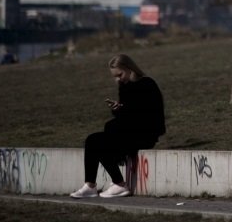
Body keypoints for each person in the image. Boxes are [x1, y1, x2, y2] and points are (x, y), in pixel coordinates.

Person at [69, 54, 166, 198]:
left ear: (129, 69)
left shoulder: (147, 84)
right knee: (92, 140)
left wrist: (124, 109)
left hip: (145, 133)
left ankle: (120, 184)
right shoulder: (124, 87)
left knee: (101, 141)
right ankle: (90, 185)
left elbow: (145, 115)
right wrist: (117, 109)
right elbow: (126, 115)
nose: (118, 79)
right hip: (129, 131)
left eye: (119, 75)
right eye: (115, 77)